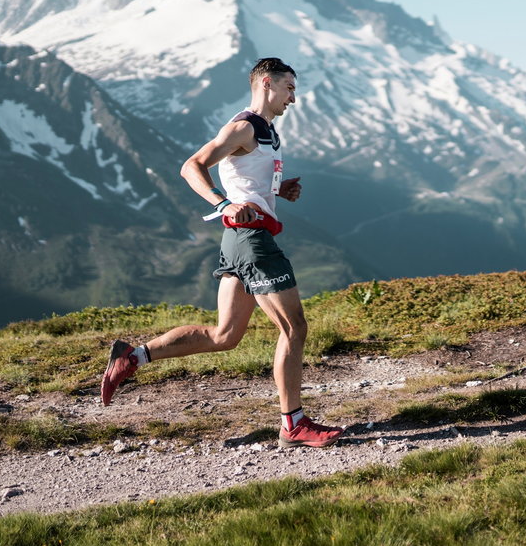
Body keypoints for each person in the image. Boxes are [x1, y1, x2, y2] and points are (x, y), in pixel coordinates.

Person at [100, 57, 344, 449]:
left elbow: (244, 178)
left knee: (225, 335)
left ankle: (134, 356)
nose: (293, 99)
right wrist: (222, 203)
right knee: (294, 327)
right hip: (251, 239)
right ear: (267, 83)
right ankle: (293, 424)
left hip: (240, 239)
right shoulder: (244, 126)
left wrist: (276, 191)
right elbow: (191, 166)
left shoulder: (266, 132)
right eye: (289, 89)